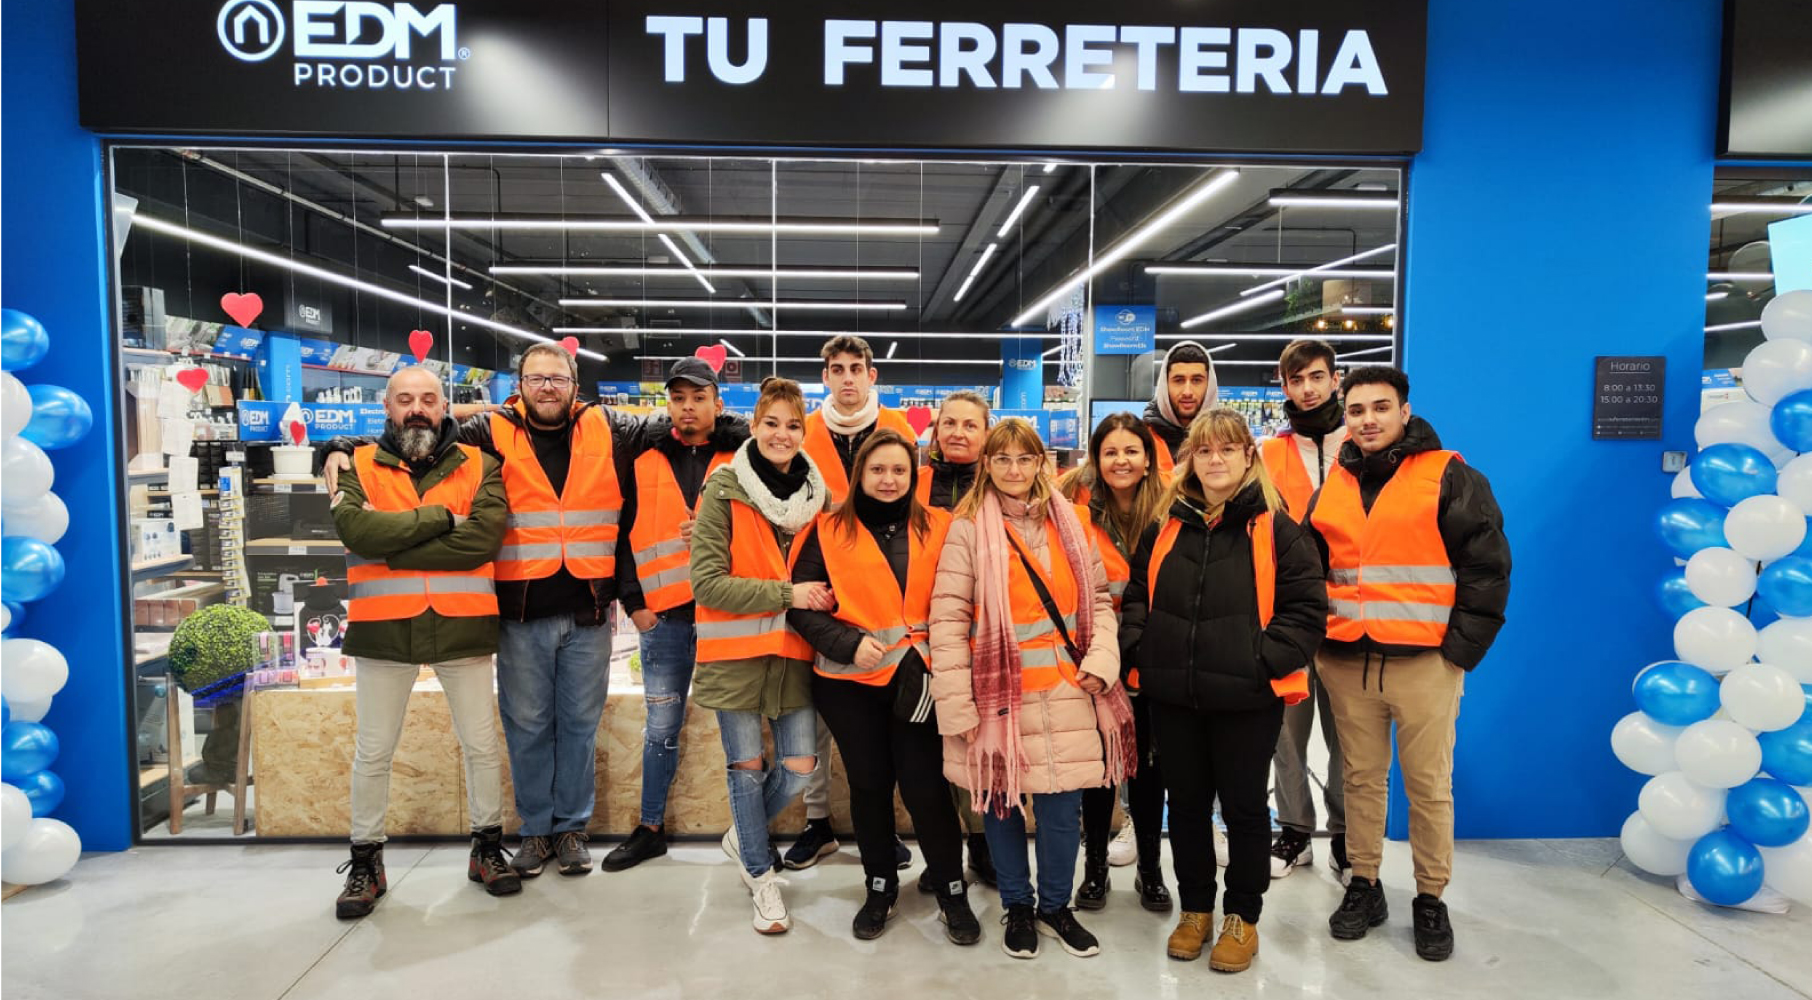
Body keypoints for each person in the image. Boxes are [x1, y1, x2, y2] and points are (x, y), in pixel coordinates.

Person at [324, 343, 648, 879]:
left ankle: (570, 829)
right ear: (519, 384)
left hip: (589, 610)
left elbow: (682, 425)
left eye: (558, 379)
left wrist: (734, 426)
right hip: (518, 611)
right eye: (536, 378)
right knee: (525, 727)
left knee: (580, 725)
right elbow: (414, 434)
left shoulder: (610, 428)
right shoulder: (488, 433)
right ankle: (536, 833)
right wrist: (335, 445)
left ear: (575, 385)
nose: (547, 387)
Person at [1301, 366, 1510, 963]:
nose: (1367, 420)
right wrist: (1317, 643)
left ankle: (1429, 896)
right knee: (1361, 780)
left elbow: (1486, 567)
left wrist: (1459, 654)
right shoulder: (1334, 483)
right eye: (1357, 410)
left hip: (1425, 663)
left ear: (1404, 411)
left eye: (1380, 408)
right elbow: (1311, 571)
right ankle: (1364, 884)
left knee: (1427, 785)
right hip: (1346, 660)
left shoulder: (1448, 476)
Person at [1120, 406, 1327, 973]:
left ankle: (1242, 916)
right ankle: (1195, 911)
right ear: (1190, 460)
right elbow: (1136, 598)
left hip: (1245, 700)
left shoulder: (1278, 530)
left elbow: (1306, 610)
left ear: (1247, 457)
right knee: (1184, 808)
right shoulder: (1166, 528)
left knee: (1243, 811)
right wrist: (1143, 650)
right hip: (1175, 698)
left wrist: (1261, 663)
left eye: (1227, 449)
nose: (1215, 460)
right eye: (1204, 450)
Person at [929, 418, 1134, 961]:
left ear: (1043, 463)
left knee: (1063, 812)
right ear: (987, 465)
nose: (1015, 470)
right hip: (999, 699)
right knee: (1000, 806)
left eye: (1026, 459)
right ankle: (1017, 907)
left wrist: (1103, 660)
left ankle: (1054, 907)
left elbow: (1100, 603)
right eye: (1003, 460)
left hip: (1068, 691)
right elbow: (947, 622)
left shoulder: (1074, 523)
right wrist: (956, 703)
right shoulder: (967, 527)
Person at [330, 366, 515, 918]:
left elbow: (481, 542)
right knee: (374, 751)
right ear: (387, 407)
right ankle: (366, 861)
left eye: (428, 399)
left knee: (481, 744)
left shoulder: (482, 465)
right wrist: (439, 517)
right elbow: (356, 534)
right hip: (384, 628)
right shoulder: (355, 465)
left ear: (444, 408)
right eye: (405, 398)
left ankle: (487, 848)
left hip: (462, 623)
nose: (417, 407)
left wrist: (393, 540)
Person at [787, 429, 983, 945]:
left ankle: (950, 890)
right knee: (869, 786)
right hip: (849, 683)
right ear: (860, 476)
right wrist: (847, 643)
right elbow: (802, 607)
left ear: (913, 474)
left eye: (899, 470)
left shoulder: (940, 526)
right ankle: (879, 886)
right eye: (878, 470)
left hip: (919, 680)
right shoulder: (827, 529)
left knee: (926, 788)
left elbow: (966, 596)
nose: (889, 479)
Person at [690, 377, 831, 934]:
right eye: (771, 423)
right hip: (735, 654)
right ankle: (760, 874)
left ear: (803, 431)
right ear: (753, 427)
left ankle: (743, 833)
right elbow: (706, 583)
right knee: (746, 769)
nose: (782, 434)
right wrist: (785, 594)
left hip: (793, 652)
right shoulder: (722, 488)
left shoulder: (813, 496)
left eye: (793, 425)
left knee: (799, 766)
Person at [602, 358, 749, 871]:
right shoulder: (643, 460)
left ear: (717, 403)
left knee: (738, 730)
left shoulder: (743, 458)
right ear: (669, 405)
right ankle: (650, 827)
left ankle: (749, 835)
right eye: (679, 398)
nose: (688, 407)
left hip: (726, 618)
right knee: (660, 726)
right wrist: (635, 605)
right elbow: (624, 536)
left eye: (698, 397)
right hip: (663, 619)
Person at [789, 334, 917, 871]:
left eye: (855, 368)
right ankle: (818, 823)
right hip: (816, 590)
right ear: (824, 377)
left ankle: (883, 832)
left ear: (872, 376)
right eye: (836, 369)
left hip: (884, 596)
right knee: (813, 719)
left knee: (889, 735)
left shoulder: (899, 430)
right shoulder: (805, 434)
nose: (846, 377)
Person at [1057, 414, 1172, 914]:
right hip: (1096, 655)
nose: (1121, 461)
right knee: (1099, 770)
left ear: (1147, 457)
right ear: (1095, 459)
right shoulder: (1069, 504)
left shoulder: (1172, 505)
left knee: (1148, 769)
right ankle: (1096, 869)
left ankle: (1151, 869)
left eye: (1131, 451)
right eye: (1110, 452)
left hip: (1154, 653)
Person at [1259, 339, 1352, 882]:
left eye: (1317, 376)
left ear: (1336, 379)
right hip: (1287, 617)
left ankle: (1344, 835)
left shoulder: (1363, 449)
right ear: (1285, 386)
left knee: (1349, 734)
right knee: (1287, 732)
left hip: (1350, 617)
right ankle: (1295, 830)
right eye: (1297, 380)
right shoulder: (1270, 454)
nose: (1308, 388)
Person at [915, 389, 997, 888]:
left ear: (986, 434)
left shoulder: (998, 490)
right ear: (936, 431)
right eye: (950, 424)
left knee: (977, 752)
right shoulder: (912, 483)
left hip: (982, 643)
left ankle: (984, 847)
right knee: (928, 761)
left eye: (970, 425)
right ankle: (941, 855)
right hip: (920, 641)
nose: (959, 433)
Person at [1143, 340, 1219, 478]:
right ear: (1165, 385)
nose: (1187, 391)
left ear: (1210, 386)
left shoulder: (1229, 442)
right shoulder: (1141, 441)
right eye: (1179, 380)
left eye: (1196, 380)